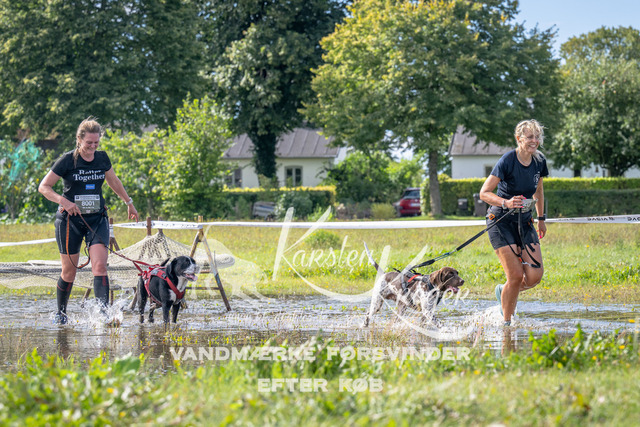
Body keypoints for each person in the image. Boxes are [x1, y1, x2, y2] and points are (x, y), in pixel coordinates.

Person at [38, 117, 138, 324]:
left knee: (100, 267)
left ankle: (103, 315)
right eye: (88, 143)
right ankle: (61, 313)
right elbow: (44, 187)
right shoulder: (67, 160)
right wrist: (64, 201)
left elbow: (113, 181)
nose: (92, 147)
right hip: (70, 221)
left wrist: (129, 202)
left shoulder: (102, 158)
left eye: (96, 142)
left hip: (96, 219)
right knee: (69, 272)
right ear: (79, 140)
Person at [479, 119, 548, 326]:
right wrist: (506, 202)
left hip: (524, 221)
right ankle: (507, 323)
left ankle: (505, 290)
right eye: (529, 137)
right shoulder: (508, 160)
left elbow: (539, 191)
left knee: (534, 276)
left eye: (537, 137)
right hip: (500, 221)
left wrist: (541, 218)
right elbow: (484, 193)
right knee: (516, 275)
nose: (534, 141)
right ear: (519, 138)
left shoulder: (539, 161)